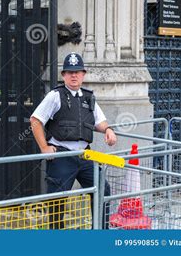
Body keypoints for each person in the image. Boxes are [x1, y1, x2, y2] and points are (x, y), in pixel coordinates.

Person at [30, 52, 117, 229]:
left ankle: (101, 232)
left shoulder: (89, 97)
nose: (74, 75)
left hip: (85, 156)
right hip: (62, 155)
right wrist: (44, 147)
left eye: (78, 71)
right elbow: (36, 120)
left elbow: (99, 121)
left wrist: (107, 130)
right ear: (64, 75)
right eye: (70, 72)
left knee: (102, 190)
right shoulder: (55, 95)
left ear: (83, 74)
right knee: (57, 201)